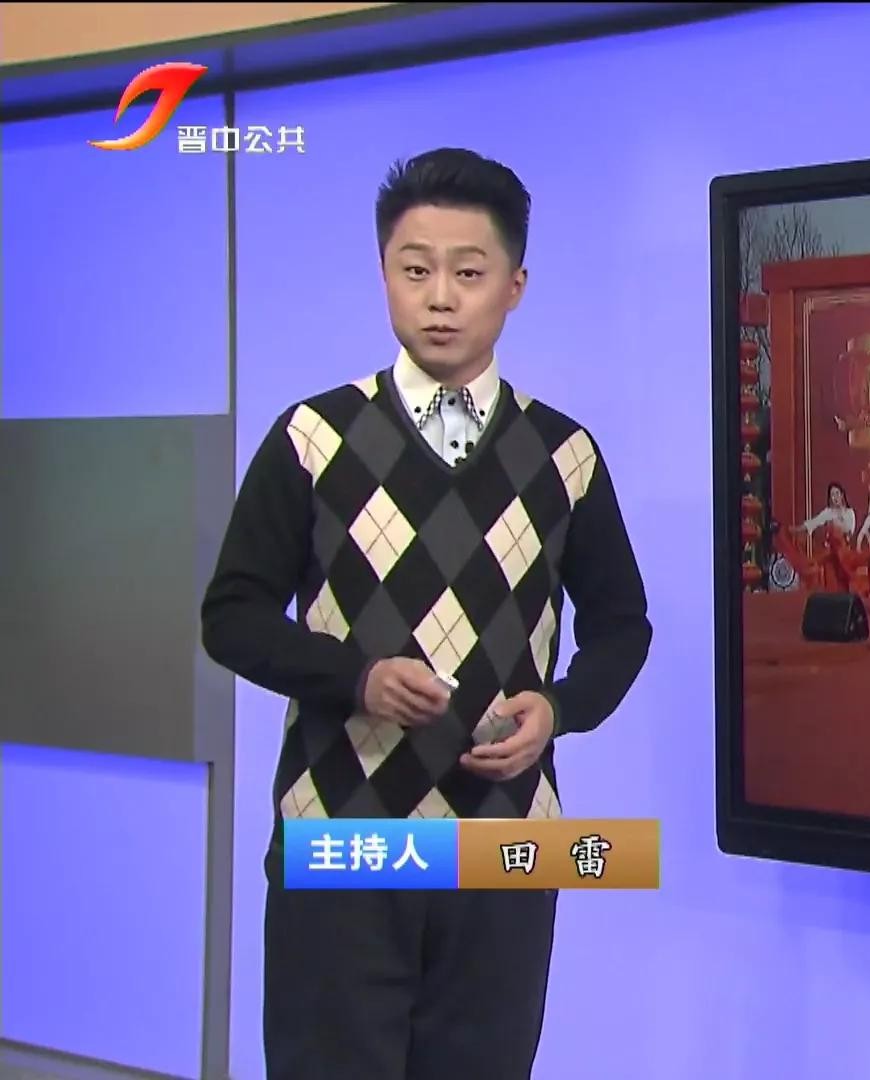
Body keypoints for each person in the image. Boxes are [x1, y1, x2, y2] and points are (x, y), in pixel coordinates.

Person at [199, 149, 653, 1080]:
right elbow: (232, 614)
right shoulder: (312, 437)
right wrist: (357, 679)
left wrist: (559, 710)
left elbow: (623, 627)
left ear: (515, 287)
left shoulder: (565, 455)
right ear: (384, 275)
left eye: (468, 273)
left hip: (506, 843)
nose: (440, 298)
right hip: (342, 835)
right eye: (415, 270)